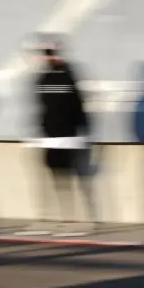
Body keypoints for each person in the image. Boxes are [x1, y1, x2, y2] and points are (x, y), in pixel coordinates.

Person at [28, 36, 96, 234]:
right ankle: (54, 216)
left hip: (68, 134)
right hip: (50, 134)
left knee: (72, 177)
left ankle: (74, 217)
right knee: (54, 176)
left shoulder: (68, 76)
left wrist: (83, 133)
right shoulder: (43, 78)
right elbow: (42, 106)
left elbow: (78, 105)